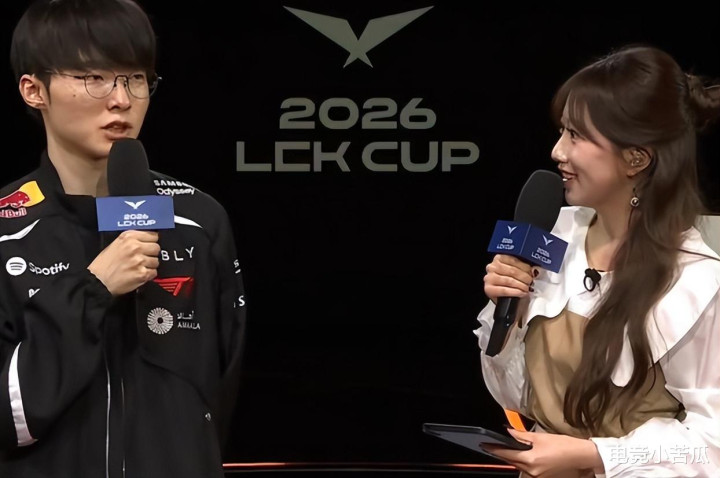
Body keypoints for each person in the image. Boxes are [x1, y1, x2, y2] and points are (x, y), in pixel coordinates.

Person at [0, 1, 247, 477]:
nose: (121, 99)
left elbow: (218, 400)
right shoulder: (7, 230)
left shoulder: (199, 220)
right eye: (94, 77)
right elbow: (8, 419)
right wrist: (94, 289)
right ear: (34, 90)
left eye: (136, 78)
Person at [475, 45, 720, 477]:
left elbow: (710, 445)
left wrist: (594, 456)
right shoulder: (554, 234)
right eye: (562, 131)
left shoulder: (695, 281)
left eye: (576, 136)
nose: (557, 151)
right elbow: (515, 397)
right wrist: (507, 316)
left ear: (636, 158)